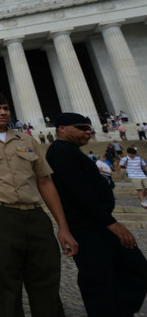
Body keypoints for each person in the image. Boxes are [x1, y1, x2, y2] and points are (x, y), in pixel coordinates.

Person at [0, 88, 77, 317]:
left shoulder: (27, 140)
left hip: (35, 215)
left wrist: (63, 226)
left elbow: (45, 183)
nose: (2, 112)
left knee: (47, 280)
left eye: (6, 108)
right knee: (7, 284)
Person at [46, 113, 147, 317]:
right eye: (82, 127)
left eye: (89, 128)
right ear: (62, 129)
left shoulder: (69, 151)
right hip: (88, 226)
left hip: (97, 223)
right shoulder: (60, 151)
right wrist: (110, 222)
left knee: (130, 269)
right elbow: (78, 191)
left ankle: (118, 310)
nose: (88, 132)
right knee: (98, 278)